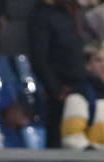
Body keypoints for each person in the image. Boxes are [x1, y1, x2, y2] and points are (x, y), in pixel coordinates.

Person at [28, 0, 91, 149]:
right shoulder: (42, 15)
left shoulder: (72, 13)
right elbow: (38, 59)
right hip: (61, 93)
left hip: (80, 89)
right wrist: (56, 90)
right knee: (58, 142)